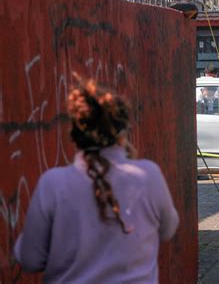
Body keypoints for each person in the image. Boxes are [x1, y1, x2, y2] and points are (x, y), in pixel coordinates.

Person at [14, 77, 179, 283]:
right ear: (122, 134)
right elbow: (168, 230)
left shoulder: (52, 184)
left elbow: (29, 260)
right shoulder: (148, 175)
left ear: (75, 133)